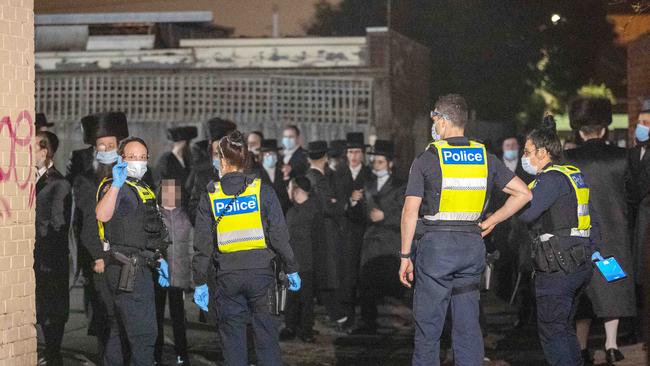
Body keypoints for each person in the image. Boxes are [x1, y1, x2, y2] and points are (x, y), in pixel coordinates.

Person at [399, 94, 531, 365]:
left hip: (436, 248)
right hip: (472, 247)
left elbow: (410, 211)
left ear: (444, 121)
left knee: (428, 328)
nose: (433, 125)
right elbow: (523, 194)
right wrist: (493, 220)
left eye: (434, 119)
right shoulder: (485, 157)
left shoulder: (427, 158)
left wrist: (404, 256)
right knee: (468, 327)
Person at [192, 130, 301, 366]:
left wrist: (200, 281)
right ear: (247, 159)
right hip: (262, 276)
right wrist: (291, 268)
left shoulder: (210, 194)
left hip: (227, 277)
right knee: (267, 341)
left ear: (222, 159)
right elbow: (279, 235)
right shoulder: (262, 190)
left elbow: (202, 245)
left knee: (233, 343)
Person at [518, 115, 601, 365]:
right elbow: (592, 219)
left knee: (553, 331)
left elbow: (527, 214)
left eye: (527, 151)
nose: (525, 157)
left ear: (542, 153)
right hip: (579, 262)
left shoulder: (548, 180)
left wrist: (518, 195)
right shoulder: (572, 174)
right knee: (565, 328)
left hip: (557, 266)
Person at [564, 97, 636, 365]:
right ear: (604, 129)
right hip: (615, 234)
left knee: (582, 293)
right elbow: (633, 194)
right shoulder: (621, 157)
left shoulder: (567, 159)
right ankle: (612, 344)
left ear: (579, 130)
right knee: (612, 285)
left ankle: (581, 347)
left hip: (579, 236)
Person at [96, 137, 171, 365]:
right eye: (132, 157)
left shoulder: (143, 187)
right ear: (121, 159)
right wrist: (117, 185)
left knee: (120, 332)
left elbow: (146, 229)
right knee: (144, 335)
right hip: (128, 269)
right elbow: (102, 214)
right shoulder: (115, 185)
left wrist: (158, 258)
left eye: (142, 157)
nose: (138, 161)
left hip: (139, 265)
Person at [71, 112, 130, 359]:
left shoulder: (131, 175)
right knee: (108, 317)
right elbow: (85, 224)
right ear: (94, 149)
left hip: (129, 258)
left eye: (111, 145)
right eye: (101, 145)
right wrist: (97, 256)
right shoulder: (85, 180)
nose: (107, 149)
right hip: (103, 262)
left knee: (128, 317)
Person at [350, 140, 405, 335]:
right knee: (367, 285)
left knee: (397, 285)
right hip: (371, 242)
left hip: (391, 242)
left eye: (380, 162)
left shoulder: (401, 186)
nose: (376, 166)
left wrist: (385, 217)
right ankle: (368, 322)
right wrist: (354, 203)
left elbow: (407, 215)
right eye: (374, 162)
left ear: (390, 163)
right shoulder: (367, 184)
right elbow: (359, 215)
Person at [34, 131, 71, 365]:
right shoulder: (31, 180)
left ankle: (53, 354)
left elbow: (59, 225)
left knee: (52, 312)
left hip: (50, 259)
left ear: (44, 151)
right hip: (38, 257)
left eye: (31, 148)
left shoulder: (59, 183)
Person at [305, 141, 348, 329]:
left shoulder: (324, 176)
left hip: (329, 229)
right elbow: (328, 205)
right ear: (325, 157)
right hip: (322, 230)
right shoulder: (315, 178)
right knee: (326, 270)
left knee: (331, 269)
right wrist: (338, 204)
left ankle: (336, 311)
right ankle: (336, 313)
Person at [333, 132, 373, 328]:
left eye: (357, 151)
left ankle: (367, 318)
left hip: (366, 232)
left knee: (365, 275)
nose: (354, 155)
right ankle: (346, 316)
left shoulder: (370, 175)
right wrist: (350, 201)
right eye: (351, 152)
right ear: (346, 154)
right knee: (346, 275)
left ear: (363, 154)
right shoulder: (338, 174)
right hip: (346, 232)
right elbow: (334, 203)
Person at [280, 176, 323, 343]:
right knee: (292, 297)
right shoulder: (293, 210)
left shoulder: (312, 210)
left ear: (297, 190)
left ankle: (305, 328)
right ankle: (291, 326)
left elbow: (318, 240)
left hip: (306, 263)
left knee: (305, 299)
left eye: (290, 187)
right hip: (292, 262)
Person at [155, 179, 193, 365]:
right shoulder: (154, 215)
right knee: (157, 316)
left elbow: (191, 247)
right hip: (159, 276)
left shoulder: (185, 216)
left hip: (179, 275)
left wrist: (193, 277)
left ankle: (182, 353)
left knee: (178, 318)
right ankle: (156, 353)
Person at [187, 118, 237, 225]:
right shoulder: (202, 176)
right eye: (216, 154)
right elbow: (193, 210)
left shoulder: (243, 174)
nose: (220, 158)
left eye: (224, 153)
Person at [629, 98, 650, 344]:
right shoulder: (632, 154)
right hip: (638, 225)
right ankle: (639, 330)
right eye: (640, 123)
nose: (642, 127)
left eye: (647, 123)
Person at [155, 126, 197, 213]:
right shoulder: (167, 160)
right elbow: (168, 197)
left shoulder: (187, 159)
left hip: (187, 207)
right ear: (184, 142)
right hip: (174, 210)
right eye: (190, 142)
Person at [259, 139, 291, 213]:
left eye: (273, 153)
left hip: (283, 211)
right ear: (262, 155)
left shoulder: (283, 171)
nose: (271, 156)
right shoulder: (256, 173)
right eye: (267, 154)